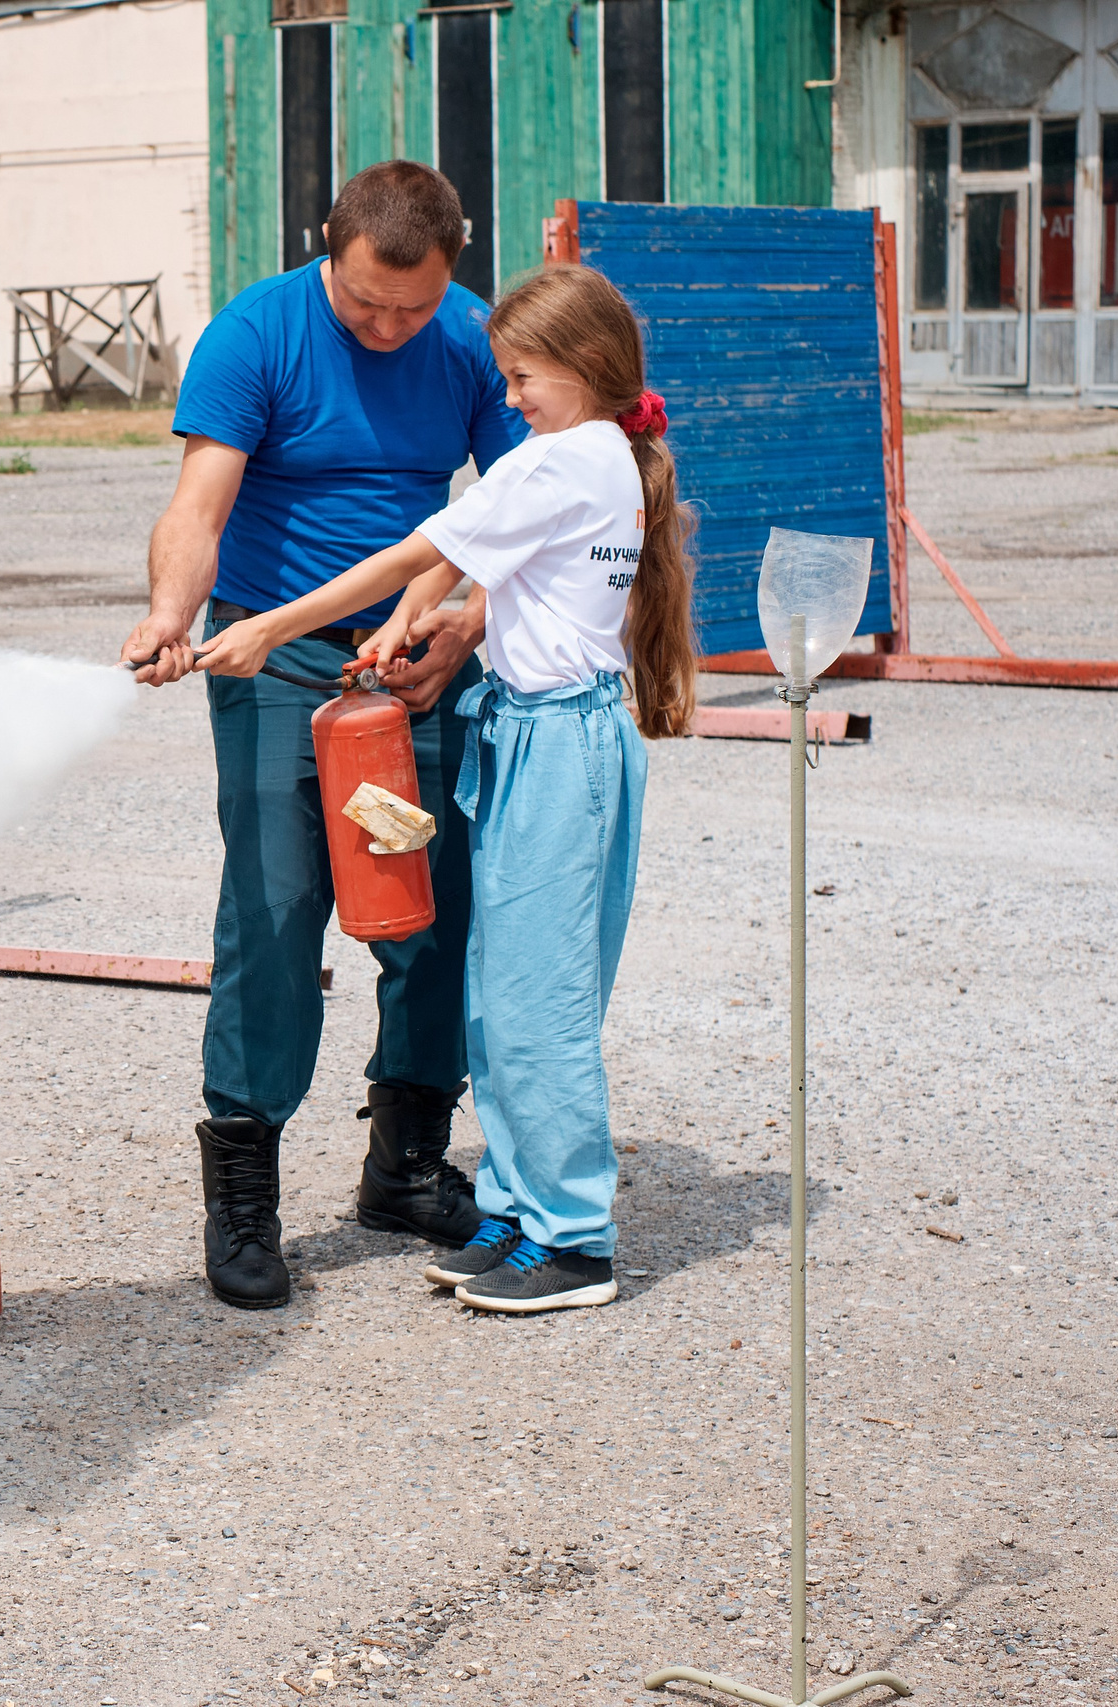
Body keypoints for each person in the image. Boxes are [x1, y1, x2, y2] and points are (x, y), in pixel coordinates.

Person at [188, 260, 697, 1313]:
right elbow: (460, 565)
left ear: (585, 367)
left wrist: (268, 627)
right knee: (495, 991)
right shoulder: (587, 454)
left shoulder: (563, 464)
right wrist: (433, 620)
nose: (504, 399)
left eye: (521, 379)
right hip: (523, 729)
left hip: (560, 744)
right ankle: (513, 1213)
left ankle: (574, 1241)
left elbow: (411, 552)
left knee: (536, 1003)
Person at [124, 161, 525, 1311]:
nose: (393, 326)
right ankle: (243, 1186)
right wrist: (168, 611)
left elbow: (526, 510)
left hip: (415, 657)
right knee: (275, 906)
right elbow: (197, 510)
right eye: (366, 304)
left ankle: (404, 1164)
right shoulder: (255, 333)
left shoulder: (467, 337)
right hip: (276, 652)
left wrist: (468, 620)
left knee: (427, 909)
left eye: (415, 304)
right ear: (326, 248)